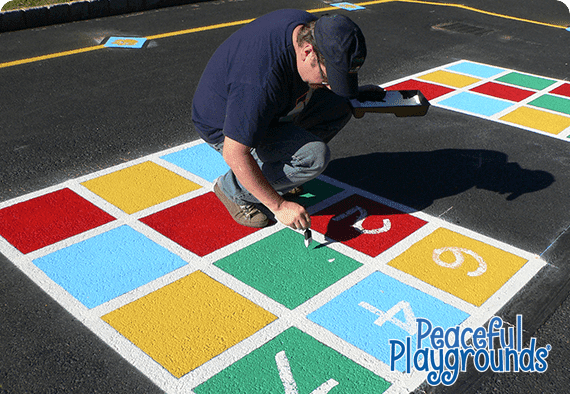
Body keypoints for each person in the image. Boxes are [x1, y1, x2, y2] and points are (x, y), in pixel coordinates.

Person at [191, 9, 367, 230]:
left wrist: (355, 93)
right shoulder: (258, 81)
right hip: (223, 127)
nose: (330, 85)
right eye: (327, 78)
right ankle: (231, 189)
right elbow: (234, 152)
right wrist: (279, 205)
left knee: (341, 104)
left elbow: (333, 86)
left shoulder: (310, 29)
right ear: (307, 52)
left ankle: (280, 171)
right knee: (313, 157)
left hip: (269, 109)